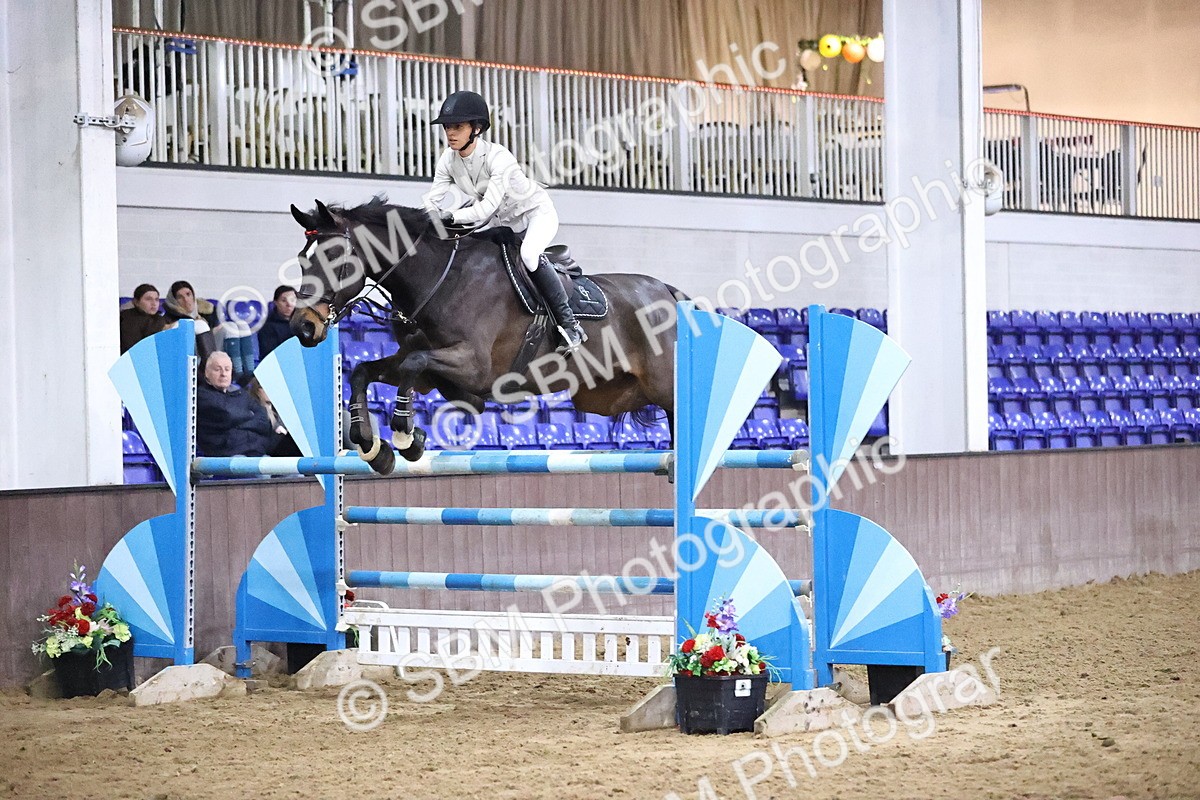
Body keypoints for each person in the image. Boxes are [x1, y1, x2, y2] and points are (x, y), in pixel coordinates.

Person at [422, 90, 586, 355]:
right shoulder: (448, 160)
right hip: (503, 223)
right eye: (447, 127)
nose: (450, 133)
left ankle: (570, 325)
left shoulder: (500, 159)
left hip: (535, 215)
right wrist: (429, 217)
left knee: (530, 255)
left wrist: (450, 216)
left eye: (457, 127)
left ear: (476, 129)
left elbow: (484, 207)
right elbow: (432, 198)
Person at [196, 352, 280, 458]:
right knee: (262, 474)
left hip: (256, 452)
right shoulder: (203, 396)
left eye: (227, 369)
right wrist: (249, 415)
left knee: (292, 473)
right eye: (217, 369)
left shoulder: (241, 393)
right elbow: (228, 415)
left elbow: (263, 420)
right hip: (226, 455)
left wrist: (238, 421)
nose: (223, 373)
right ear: (207, 373)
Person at [163, 280, 218, 363]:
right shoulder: (168, 318)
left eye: (188, 294)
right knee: (198, 325)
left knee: (237, 326)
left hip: (214, 350)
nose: (186, 299)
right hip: (184, 358)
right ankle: (207, 367)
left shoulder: (207, 313)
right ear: (174, 300)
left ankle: (241, 371)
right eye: (180, 297)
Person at [119, 283, 167, 353]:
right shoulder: (128, 320)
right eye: (148, 299)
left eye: (156, 299)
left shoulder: (160, 319)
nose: (154, 303)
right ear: (136, 302)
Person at [258, 285, 298, 358]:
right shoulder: (267, 326)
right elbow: (269, 355)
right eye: (283, 300)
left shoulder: (302, 323)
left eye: (292, 300)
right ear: (275, 302)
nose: (289, 304)